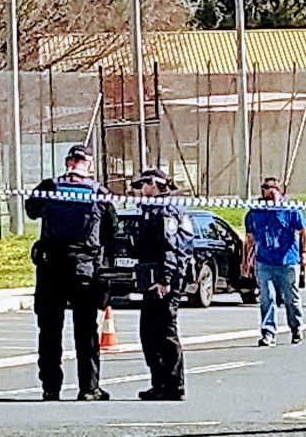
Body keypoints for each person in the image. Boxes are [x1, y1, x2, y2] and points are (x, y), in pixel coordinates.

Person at [27, 145, 117, 402]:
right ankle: (89, 388)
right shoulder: (99, 192)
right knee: (86, 331)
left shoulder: (50, 186)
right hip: (84, 270)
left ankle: (50, 388)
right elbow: (111, 230)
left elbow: (31, 210)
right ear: (88, 164)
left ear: (68, 162)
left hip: (50, 268)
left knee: (49, 330)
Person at [131, 169, 193, 401]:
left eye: (144, 184)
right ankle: (160, 383)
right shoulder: (153, 208)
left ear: (154, 185)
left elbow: (169, 246)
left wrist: (165, 278)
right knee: (149, 333)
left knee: (164, 332)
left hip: (164, 279)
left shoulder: (165, 209)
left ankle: (173, 385)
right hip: (154, 277)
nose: (141, 189)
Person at [242, 177, 306, 347]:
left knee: (291, 297)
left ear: (280, 190)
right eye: (266, 188)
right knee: (267, 298)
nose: (270, 191)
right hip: (264, 262)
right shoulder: (255, 212)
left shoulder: (290, 209)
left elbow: (303, 231)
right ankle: (268, 333)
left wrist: (305, 253)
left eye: (273, 188)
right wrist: (245, 261)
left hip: (288, 261)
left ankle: (296, 328)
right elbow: (249, 238)